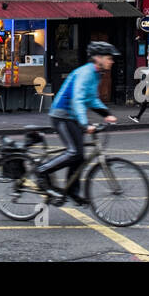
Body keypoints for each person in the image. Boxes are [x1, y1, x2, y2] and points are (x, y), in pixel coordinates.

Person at [35, 42, 118, 206]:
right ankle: (41, 171)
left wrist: (106, 114)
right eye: (109, 58)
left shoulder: (96, 74)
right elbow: (78, 99)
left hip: (72, 116)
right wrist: (85, 124)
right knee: (74, 152)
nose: (112, 61)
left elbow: (91, 98)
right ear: (98, 58)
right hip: (62, 115)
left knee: (79, 157)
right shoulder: (85, 73)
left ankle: (72, 192)